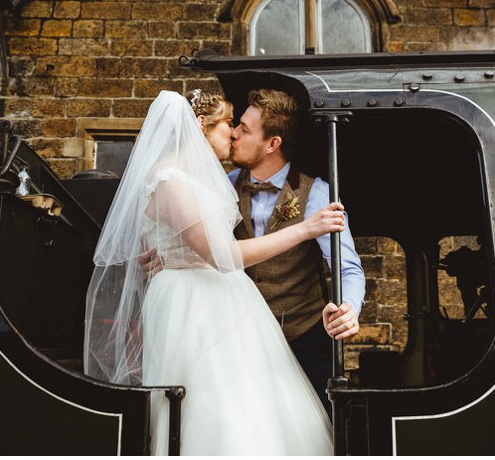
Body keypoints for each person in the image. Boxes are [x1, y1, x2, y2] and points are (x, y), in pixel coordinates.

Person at [83, 90, 341, 454]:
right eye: (227, 125)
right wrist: (305, 228)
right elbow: (222, 256)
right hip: (195, 303)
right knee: (210, 399)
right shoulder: (171, 181)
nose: (233, 133)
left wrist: (176, 254)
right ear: (202, 125)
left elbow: (194, 248)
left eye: (239, 128)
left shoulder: (198, 178)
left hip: (224, 300)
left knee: (249, 402)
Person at [227, 88, 365, 407]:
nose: (233, 133)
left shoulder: (316, 193)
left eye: (244, 129)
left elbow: (347, 267)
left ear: (272, 143)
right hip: (239, 337)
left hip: (304, 339)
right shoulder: (223, 186)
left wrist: (350, 310)